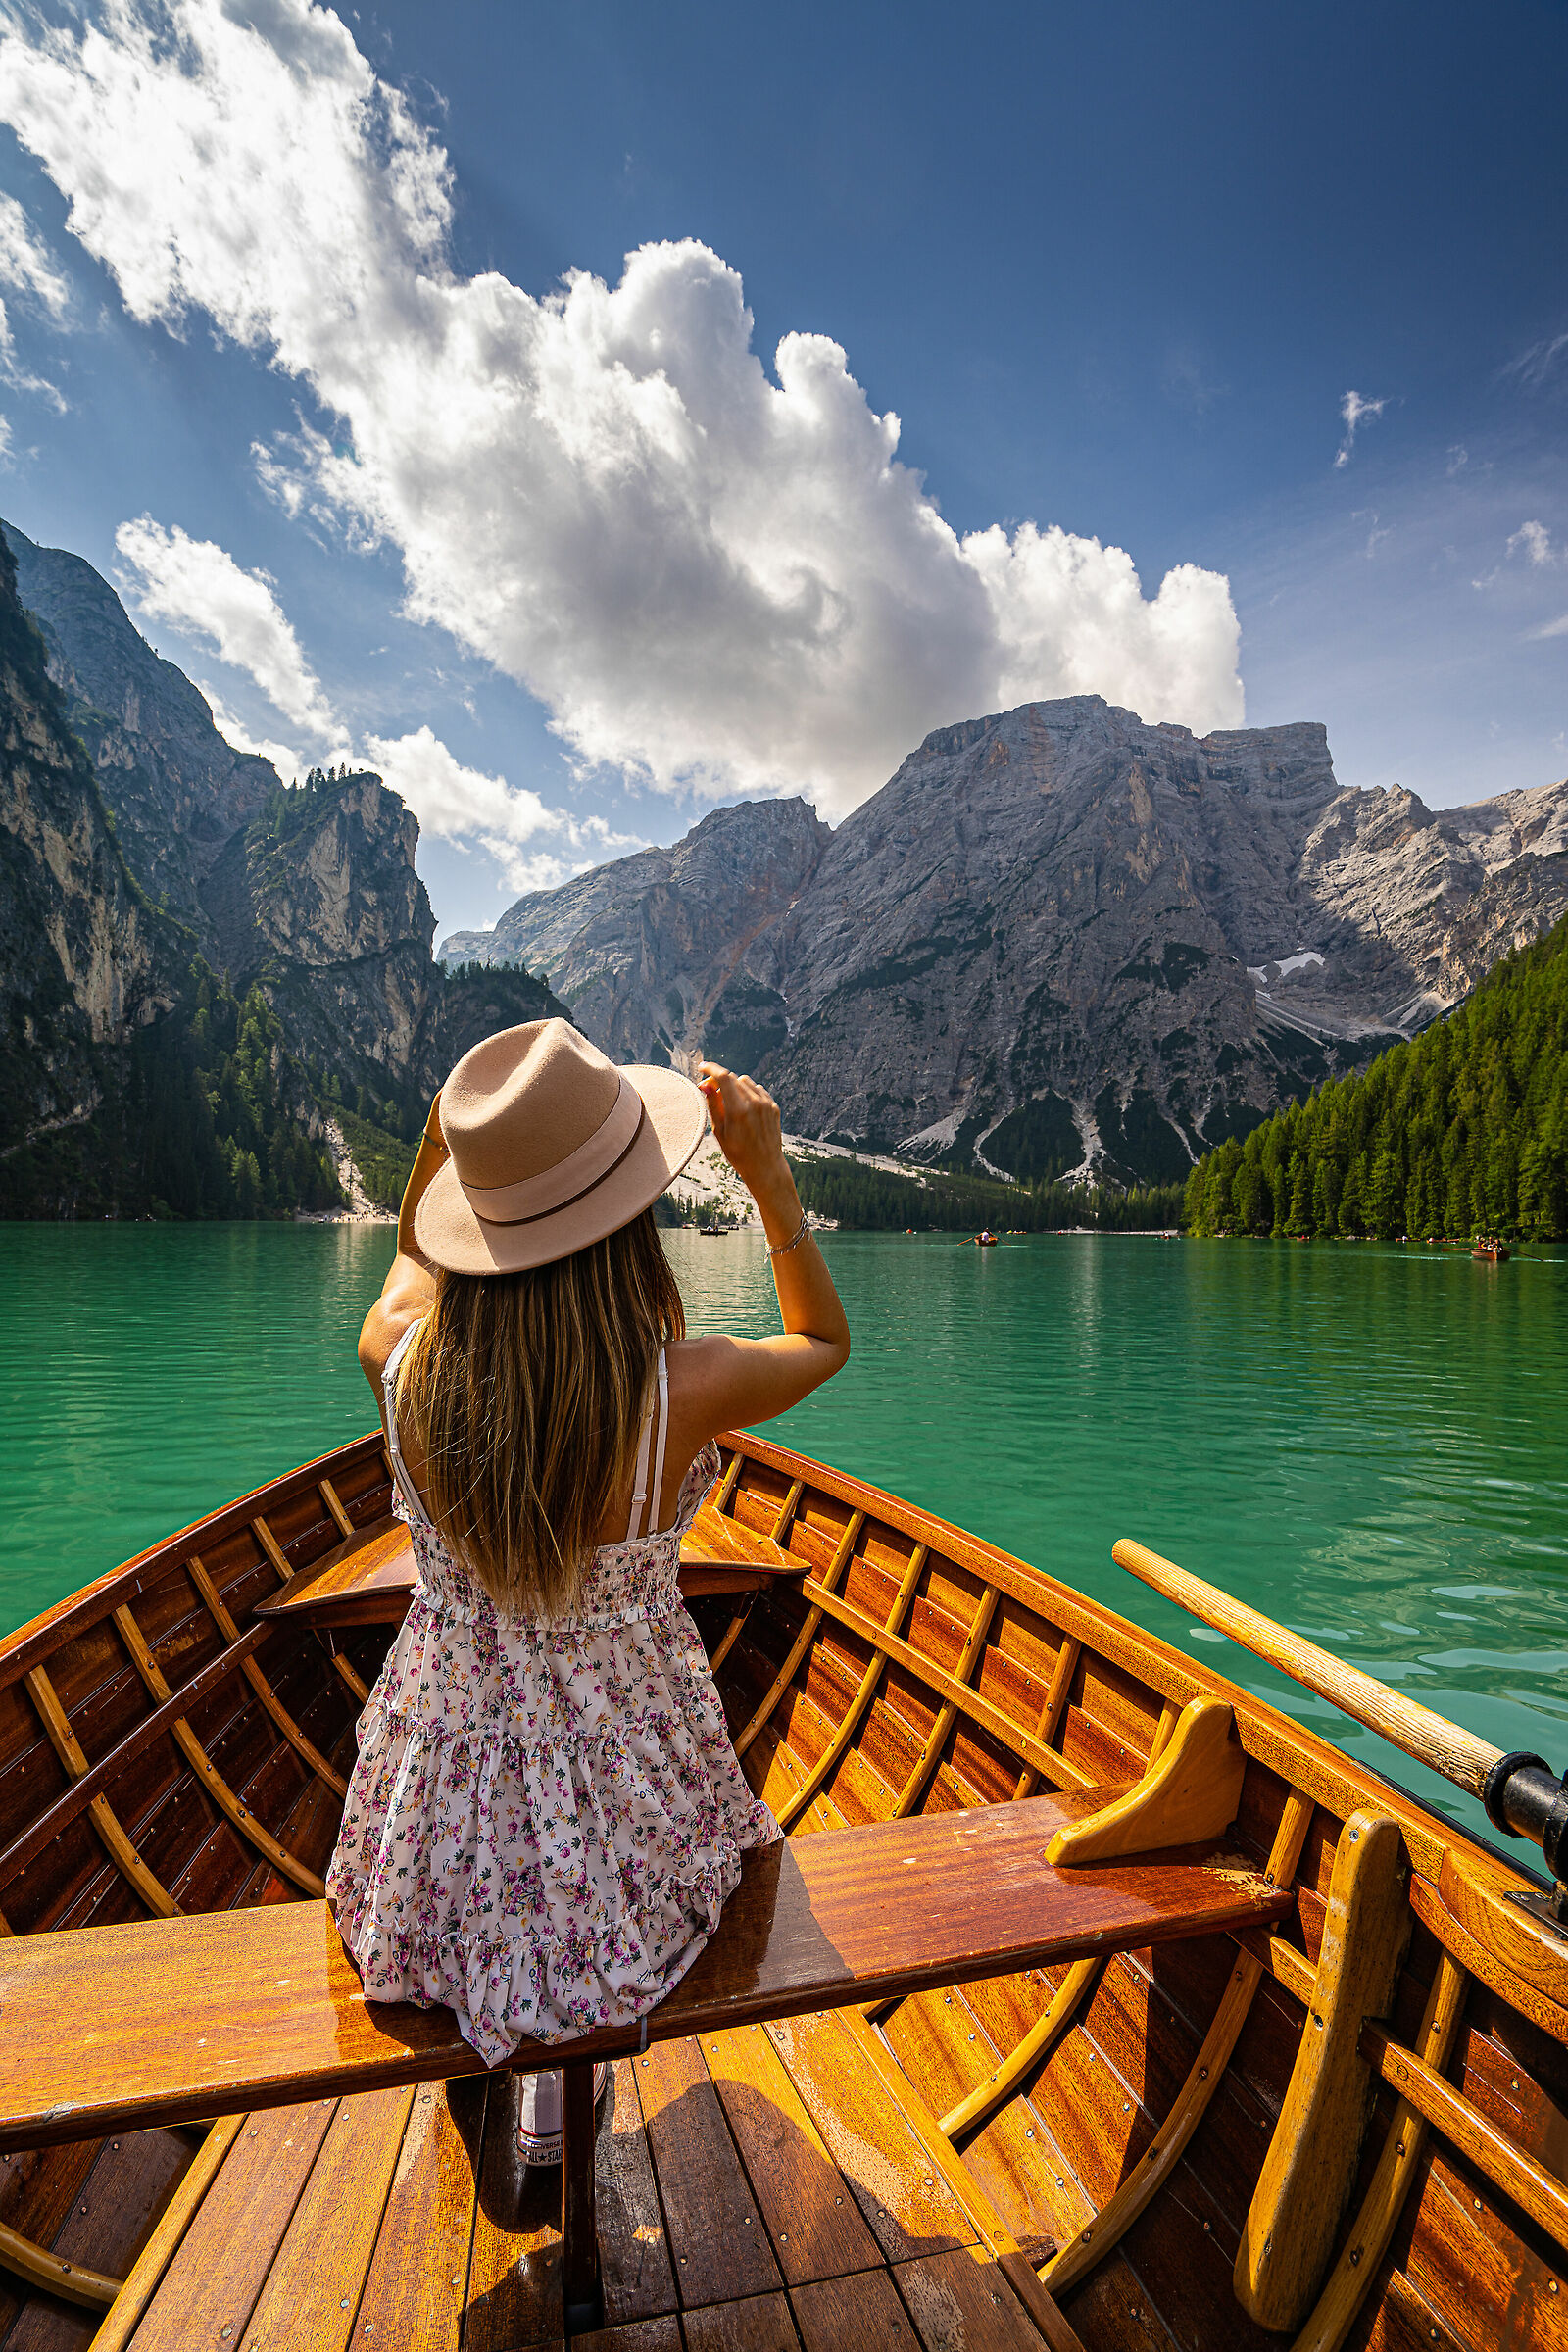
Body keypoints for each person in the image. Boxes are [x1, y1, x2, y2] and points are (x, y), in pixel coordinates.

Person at [325, 1018, 850, 2163]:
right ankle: (564, 2079)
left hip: (439, 1822)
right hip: (632, 1806)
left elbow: (412, 1263)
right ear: (628, 1226)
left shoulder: (396, 1357)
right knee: (627, 1914)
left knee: (468, 1921)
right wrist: (770, 1181)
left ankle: (494, 2062)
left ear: (478, 1220)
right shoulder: (686, 1387)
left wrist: (441, 1146)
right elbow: (822, 1340)